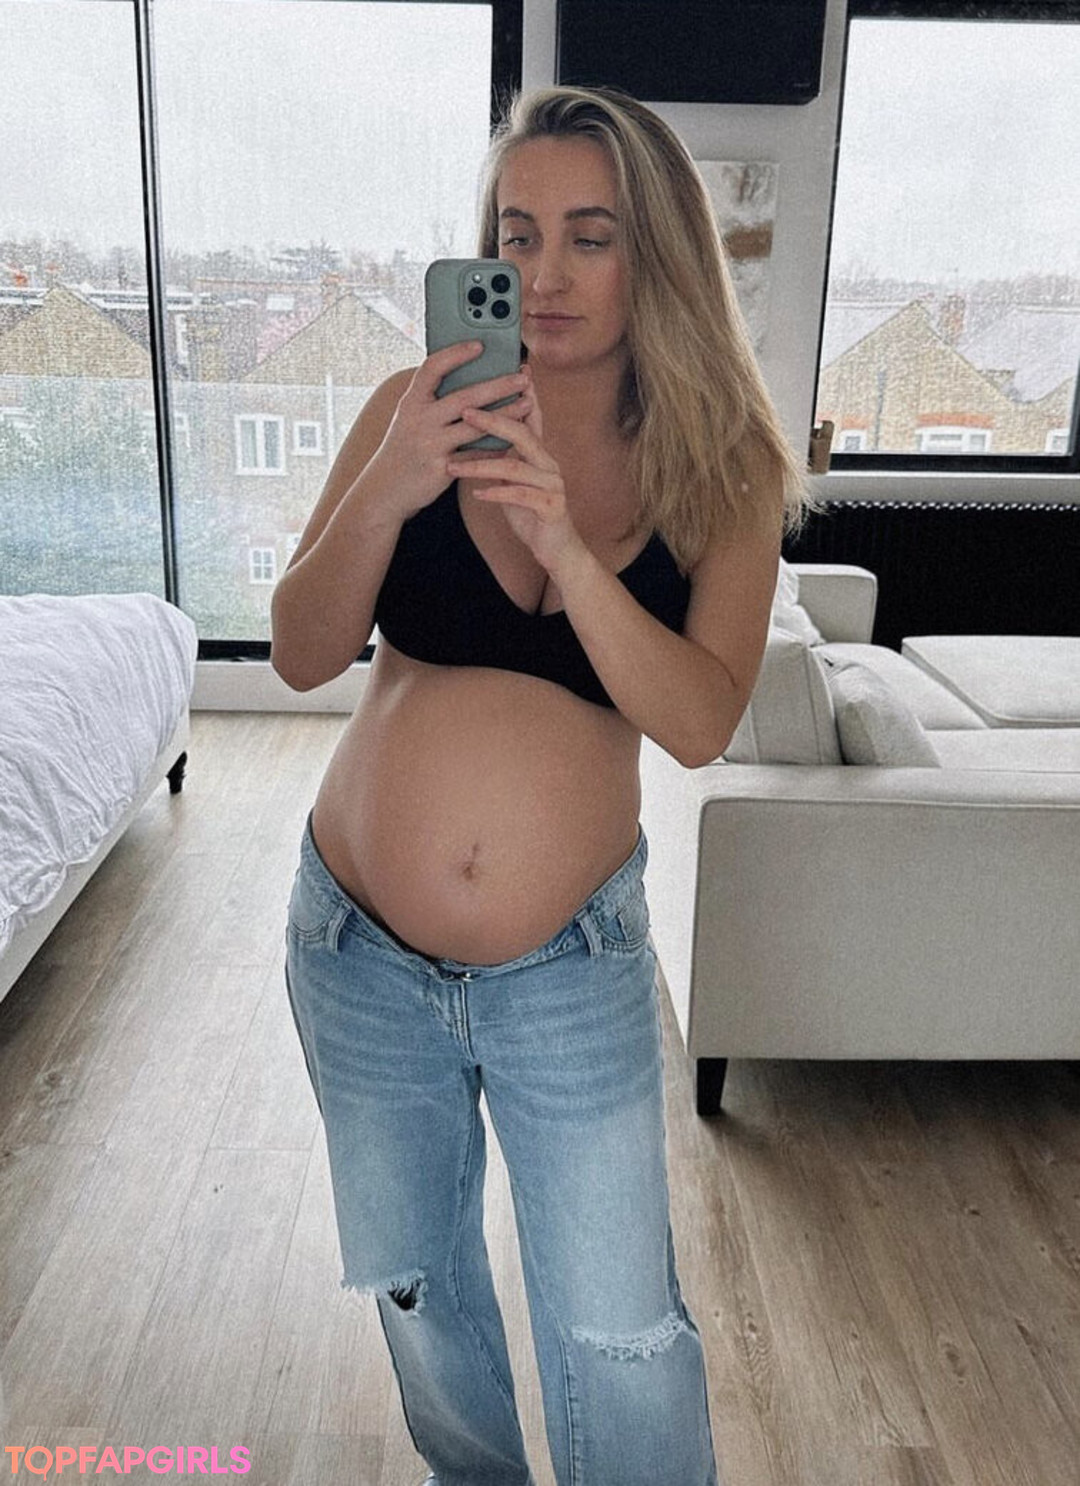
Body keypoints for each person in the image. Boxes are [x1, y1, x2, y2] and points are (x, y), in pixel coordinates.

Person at [272, 84, 809, 1486]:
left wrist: (568, 548)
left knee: (622, 1328)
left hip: (568, 968)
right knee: (419, 1290)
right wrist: (394, 482)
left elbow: (698, 720)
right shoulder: (411, 412)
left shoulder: (724, 465)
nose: (547, 273)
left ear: (657, 252)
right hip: (355, 951)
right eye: (518, 235)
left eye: (591, 236)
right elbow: (300, 650)